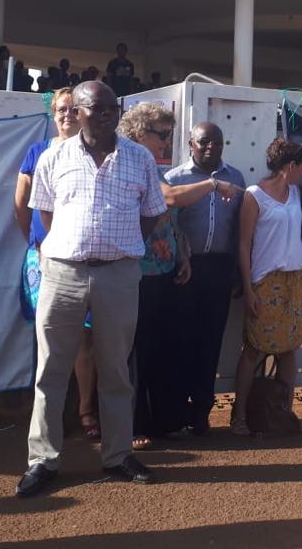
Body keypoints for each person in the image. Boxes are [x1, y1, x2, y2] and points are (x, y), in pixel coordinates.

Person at [16, 80, 167, 498]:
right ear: (76, 112)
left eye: (110, 109)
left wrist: (118, 246)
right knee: (51, 369)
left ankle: (117, 455)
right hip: (63, 273)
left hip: (118, 274)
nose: (104, 116)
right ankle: (43, 460)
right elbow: (45, 213)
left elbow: (152, 213)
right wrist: (73, 247)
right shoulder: (53, 156)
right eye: (95, 108)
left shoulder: (139, 157)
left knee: (115, 369)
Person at [13, 87, 101, 440]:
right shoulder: (37, 152)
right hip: (43, 259)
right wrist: (37, 244)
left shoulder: (94, 152)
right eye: (61, 109)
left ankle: (85, 410)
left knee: (85, 337)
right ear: (54, 114)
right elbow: (22, 205)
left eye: (72, 109)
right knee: (47, 336)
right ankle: (50, 417)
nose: (67, 114)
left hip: (84, 261)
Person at [118, 103, 191, 449]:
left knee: (163, 347)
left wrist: (183, 254)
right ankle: (133, 426)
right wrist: (213, 185)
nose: (166, 142)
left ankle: (165, 420)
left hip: (165, 270)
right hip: (138, 273)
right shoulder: (127, 165)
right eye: (161, 134)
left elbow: (169, 220)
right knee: (137, 353)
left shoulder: (153, 168)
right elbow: (170, 199)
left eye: (168, 134)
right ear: (138, 132)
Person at [229, 138, 302, 436]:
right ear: (290, 166)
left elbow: (295, 236)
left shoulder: (296, 193)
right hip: (266, 281)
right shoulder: (254, 196)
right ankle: (239, 416)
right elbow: (244, 245)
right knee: (253, 349)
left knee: (289, 349)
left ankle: (283, 413)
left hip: (294, 278)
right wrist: (249, 288)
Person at [165, 122, 245, 435]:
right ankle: (175, 412)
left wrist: (237, 270)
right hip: (185, 270)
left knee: (211, 342)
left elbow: (238, 228)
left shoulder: (235, 178)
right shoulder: (175, 179)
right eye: (204, 141)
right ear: (191, 144)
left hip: (219, 269)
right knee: (180, 341)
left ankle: (201, 412)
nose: (212, 147)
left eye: (218, 142)